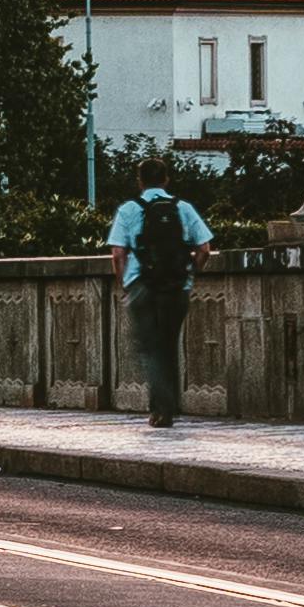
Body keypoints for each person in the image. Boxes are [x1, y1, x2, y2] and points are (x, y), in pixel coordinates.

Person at [107, 160, 204, 430]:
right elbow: (204, 248)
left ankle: (161, 409)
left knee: (150, 348)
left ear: (140, 181)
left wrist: (124, 284)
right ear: (166, 180)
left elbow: (118, 254)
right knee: (169, 344)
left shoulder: (129, 210)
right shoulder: (183, 208)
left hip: (142, 286)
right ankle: (169, 405)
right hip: (176, 288)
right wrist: (189, 274)